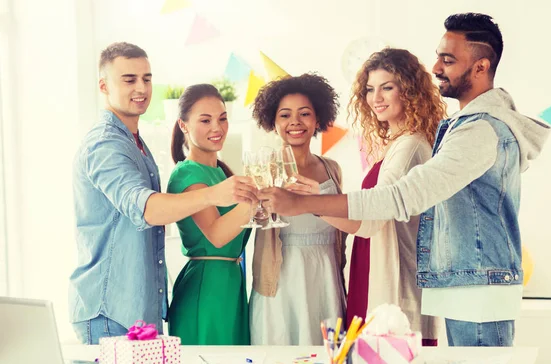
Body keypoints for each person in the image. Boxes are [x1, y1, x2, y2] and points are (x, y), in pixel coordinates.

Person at [258, 13, 551, 347]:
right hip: (466, 282)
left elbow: (398, 199)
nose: (437, 67)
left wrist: (303, 204)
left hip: (475, 284)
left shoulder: (477, 130)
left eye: (448, 59)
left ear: (481, 66)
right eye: (370, 89)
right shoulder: (459, 128)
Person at [69, 43, 256, 344]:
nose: (141, 87)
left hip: (140, 311)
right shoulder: (105, 145)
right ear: (103, 86)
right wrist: (213, 195)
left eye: (147, 78)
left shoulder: (135, 145)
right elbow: (146, 210)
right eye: (129, 79)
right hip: (109, 312)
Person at [300, 48, 444, 344]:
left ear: (410, 91)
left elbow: (369, 222)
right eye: (369, 89)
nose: (376, 98)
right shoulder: (399, 144)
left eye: (387, 87)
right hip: (378, 270)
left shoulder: (410, 147)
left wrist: (309, 203)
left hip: (393, 282)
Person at [249, 74, 346, 345]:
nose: (295, 122)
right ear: (273, 122)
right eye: (285, 115)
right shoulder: (264, 168)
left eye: (304, 113)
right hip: (281, 279)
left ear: (318, 119)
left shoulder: (332, 168)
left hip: (326, 276)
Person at [167, 84, 254, 345]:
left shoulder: (223, 174)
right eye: (205, 120)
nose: (217, 128)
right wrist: (257, 197)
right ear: (183, 125)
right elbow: (217, 234)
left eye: (222, 118)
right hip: (207, 289)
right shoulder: (188, 174)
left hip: (230, 284)